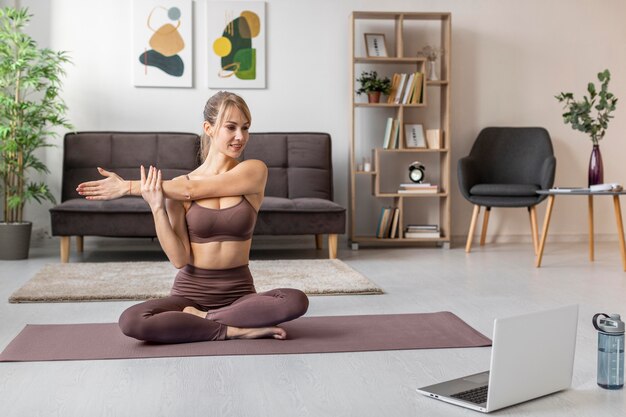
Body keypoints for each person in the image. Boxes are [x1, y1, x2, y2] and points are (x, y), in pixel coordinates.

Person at [76, 91, 309, 344]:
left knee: (296, 300)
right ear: (208, 128)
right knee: (132, 320)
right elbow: (179, 259)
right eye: (231, 127)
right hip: (190, 295)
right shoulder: (176, 186)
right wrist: (157, 208)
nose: (240, 136)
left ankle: (206, 319)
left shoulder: (253, 170)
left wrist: (127, 187)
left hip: (240, 295)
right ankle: (233, 329)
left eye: (245, 128)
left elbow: (194, 191)